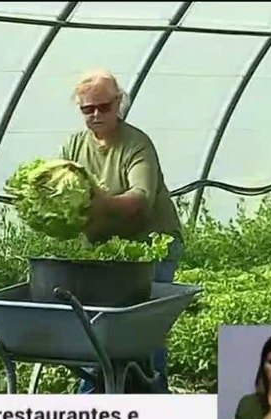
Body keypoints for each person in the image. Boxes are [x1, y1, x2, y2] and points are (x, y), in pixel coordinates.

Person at [58, 68, 184, 394]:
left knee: (145, 327)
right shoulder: (74, 146)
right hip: (106, 251)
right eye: (88, 109)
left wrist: (101, 203)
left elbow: (140, 200)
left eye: (104, 106)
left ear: (118, 103)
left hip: (152, 244)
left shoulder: (136, 144)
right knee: (96, 327)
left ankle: (152, 395)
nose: (96, 114)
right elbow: (60, 189)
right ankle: (97, 396)